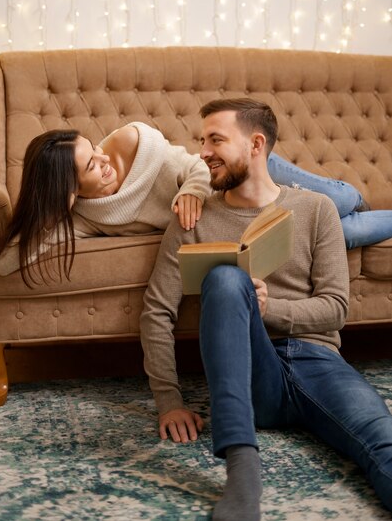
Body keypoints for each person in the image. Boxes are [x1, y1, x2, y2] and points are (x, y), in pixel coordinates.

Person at [139, 98, 392, 520]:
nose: (203, 153)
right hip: (252, 373)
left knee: (383, 439)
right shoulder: (193, 219)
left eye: (216, 140)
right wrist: (169, 400)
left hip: (317, 361)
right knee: (224, 278)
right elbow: (156, 312)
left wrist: (269, 307)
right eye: (202, 141)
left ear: (256, 145)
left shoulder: (315, 209)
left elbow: (334, 310)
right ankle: (242, 468)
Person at [0, 118, 392, 282]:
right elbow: (4, 267)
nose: (103, 159)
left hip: (232, 171)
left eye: (93, 148)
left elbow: (195, 166)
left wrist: (191, 190)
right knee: (338, 231)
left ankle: (355, 195)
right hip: (231, 216)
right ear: (71, 192)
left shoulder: (130, 143)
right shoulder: (81, 218)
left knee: (340, 200)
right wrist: (43, 221)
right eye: (91, 166)